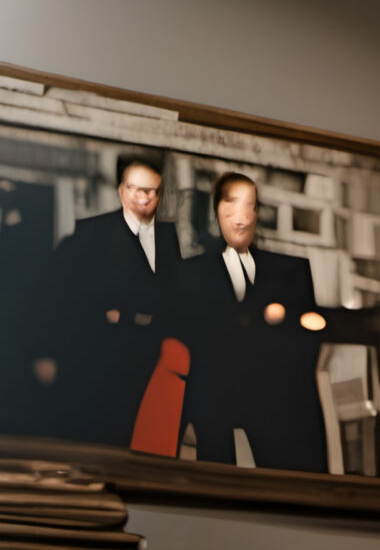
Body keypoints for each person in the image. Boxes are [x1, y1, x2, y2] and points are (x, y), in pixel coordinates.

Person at [176, 171, 331, 471]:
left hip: (274, 407)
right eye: (231, 205)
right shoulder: (191, 275)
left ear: (257, 211)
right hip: (214, 405)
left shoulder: (289, 272)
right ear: (216, 210)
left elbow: (306, 341)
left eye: (249, 206)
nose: (240, 217)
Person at [34, 149, 181, 447]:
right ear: (121, 189)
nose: (144, 197)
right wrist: (47, 352)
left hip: (146, 360)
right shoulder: (89, 234)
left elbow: (176, 301)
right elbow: (54, 298)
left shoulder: (170, 241)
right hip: (91, 357)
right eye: (136, 188)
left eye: (151, 189)